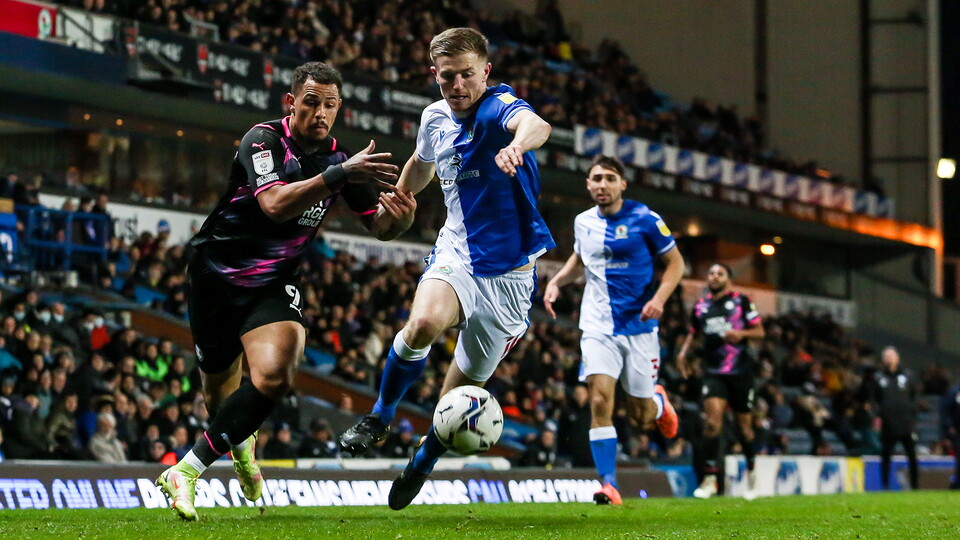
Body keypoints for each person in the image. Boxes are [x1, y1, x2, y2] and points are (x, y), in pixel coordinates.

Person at [155, 61, 413, 521]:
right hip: (215, 277)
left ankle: (186, 470)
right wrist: (339, 177)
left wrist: (403, 218)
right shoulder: (263, 140)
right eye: (311, 101)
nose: (321, 112)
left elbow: (381, 227)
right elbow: (273, 205)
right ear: (290, 102)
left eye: (330, 105)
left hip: (274, 283)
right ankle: (242, 446)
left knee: (276, 373)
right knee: (221, 398)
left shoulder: (341, 158)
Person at [337, 27, 555, 511]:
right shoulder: (435, 116)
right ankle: (380, 415)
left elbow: (537, 125)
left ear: (486, 72)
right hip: (456, 250)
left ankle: (422, 461)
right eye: (446, 78)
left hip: (510, 278)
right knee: (423, 324)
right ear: (435, 76)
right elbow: (422, 161)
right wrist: (404, 194)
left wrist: (518, 146)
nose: (457, 87)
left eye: (466, 76)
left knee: (458, 397)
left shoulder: (501, 111)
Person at [543, 154, 684, 505]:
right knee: (600, 398)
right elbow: (580, 258)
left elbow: (676, 264)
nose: (602, 184)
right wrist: (558, 281)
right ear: (588, 185)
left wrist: (661, 300)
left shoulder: (646, 218)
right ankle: (609, 485)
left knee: (640, 416)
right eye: (596, 179)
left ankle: (658, 402)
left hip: (639, 327)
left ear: (622, 184)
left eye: (609, 178)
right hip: (597, 325)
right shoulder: (582, 222)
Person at [677, 263, 765, 500]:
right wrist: (684, 353)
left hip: (740, 371)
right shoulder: (700, 306)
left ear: (728, 279)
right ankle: (710, 479)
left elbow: (759, 332)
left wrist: (742, 334)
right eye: (711, 273)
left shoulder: (741, 301)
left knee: (743, 429)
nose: (714, 277)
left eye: (719, 273)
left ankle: (752, 472)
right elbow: (694, 332)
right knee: (712, 423)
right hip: (713, 371)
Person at [861, 346, 918, 490]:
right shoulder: (878, 378)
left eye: (891, 356)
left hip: (906, 423)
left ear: (897, 358)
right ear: (883, 359)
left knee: (912, 455)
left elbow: (914, 397)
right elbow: (873, 399)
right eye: (886, 357)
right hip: (888, 423)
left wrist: (912, 416)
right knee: (886, 455)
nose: (889, 359)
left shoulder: (908, 375)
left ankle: (915, 486)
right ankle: (885, 485)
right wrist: (877, 416)